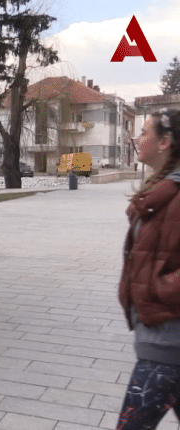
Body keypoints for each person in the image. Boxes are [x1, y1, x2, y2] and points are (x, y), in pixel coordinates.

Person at [116, 108, 180, 430]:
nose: (137, 139)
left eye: (144, 133)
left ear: (165, 141)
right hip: (161, 338)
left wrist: (157, 288)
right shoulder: (162, 190)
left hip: (168, 343)